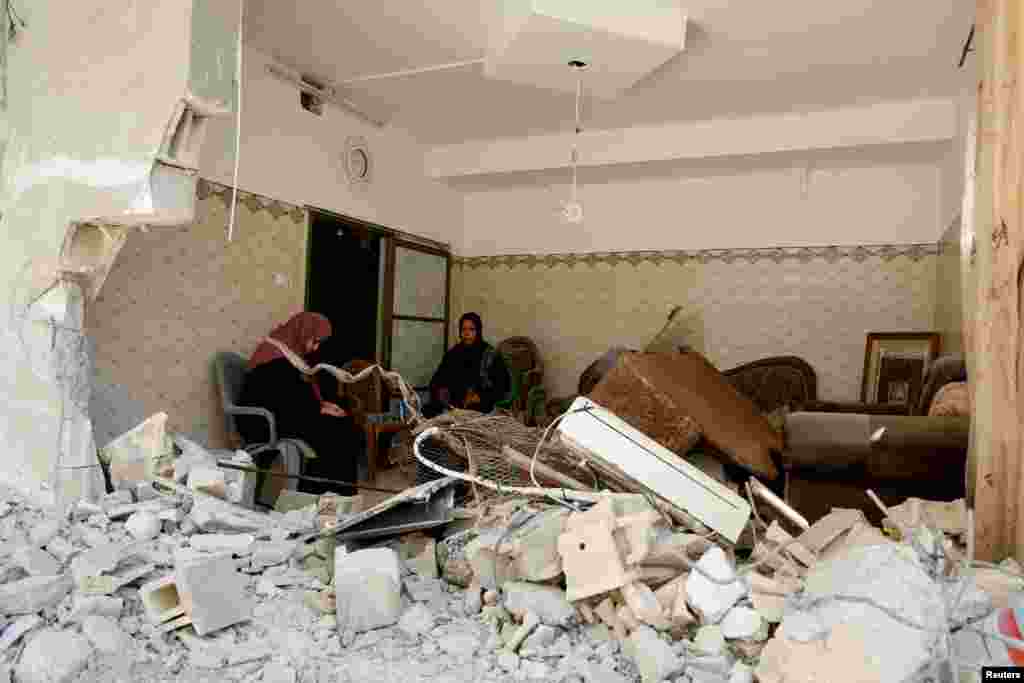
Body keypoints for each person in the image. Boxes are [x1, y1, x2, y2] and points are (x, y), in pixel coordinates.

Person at [237, 312, 361, 496]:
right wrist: (318, 410)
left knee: (343, 426)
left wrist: (322, 405)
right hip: (262, 422)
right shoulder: (273, 355)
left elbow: (294, 395)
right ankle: (316, 496)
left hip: (285, 414)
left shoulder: (291, 355)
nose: (315, 348)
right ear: (302, 332)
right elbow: (278, 399)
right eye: (315, 341)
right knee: (334, 432)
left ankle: (335, 497)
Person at [426, 312, 510, 418]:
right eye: (463, 329)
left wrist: (480, 396)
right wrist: (441, 391)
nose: (467, 333)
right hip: (453, 402)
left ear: (478, 331)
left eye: (471, 329)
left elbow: (503, 386)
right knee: (429, 410)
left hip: (481, 403)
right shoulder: (453, 353)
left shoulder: (489, 354)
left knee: (473, 411)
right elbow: (438, 379)